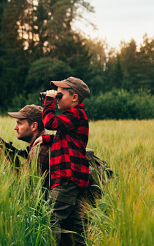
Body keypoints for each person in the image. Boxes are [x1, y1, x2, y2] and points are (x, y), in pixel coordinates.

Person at [33, 76, 91, 246]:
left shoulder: (76, 113)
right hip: (70, 178)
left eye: (60, 95)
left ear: (74, 98)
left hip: (67, 178)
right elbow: (66, 138)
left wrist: (48, 101)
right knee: (73, 228)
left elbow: (50, 122)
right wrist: (47, 140)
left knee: (50, 220)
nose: (57, 98)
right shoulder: (73, 117)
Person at [7, 104, 50, 187]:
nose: (15, 128)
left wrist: (9, 160)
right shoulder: (42, 143)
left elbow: (24, 186)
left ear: (34, 126)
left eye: (19, 123)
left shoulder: (39, 149)